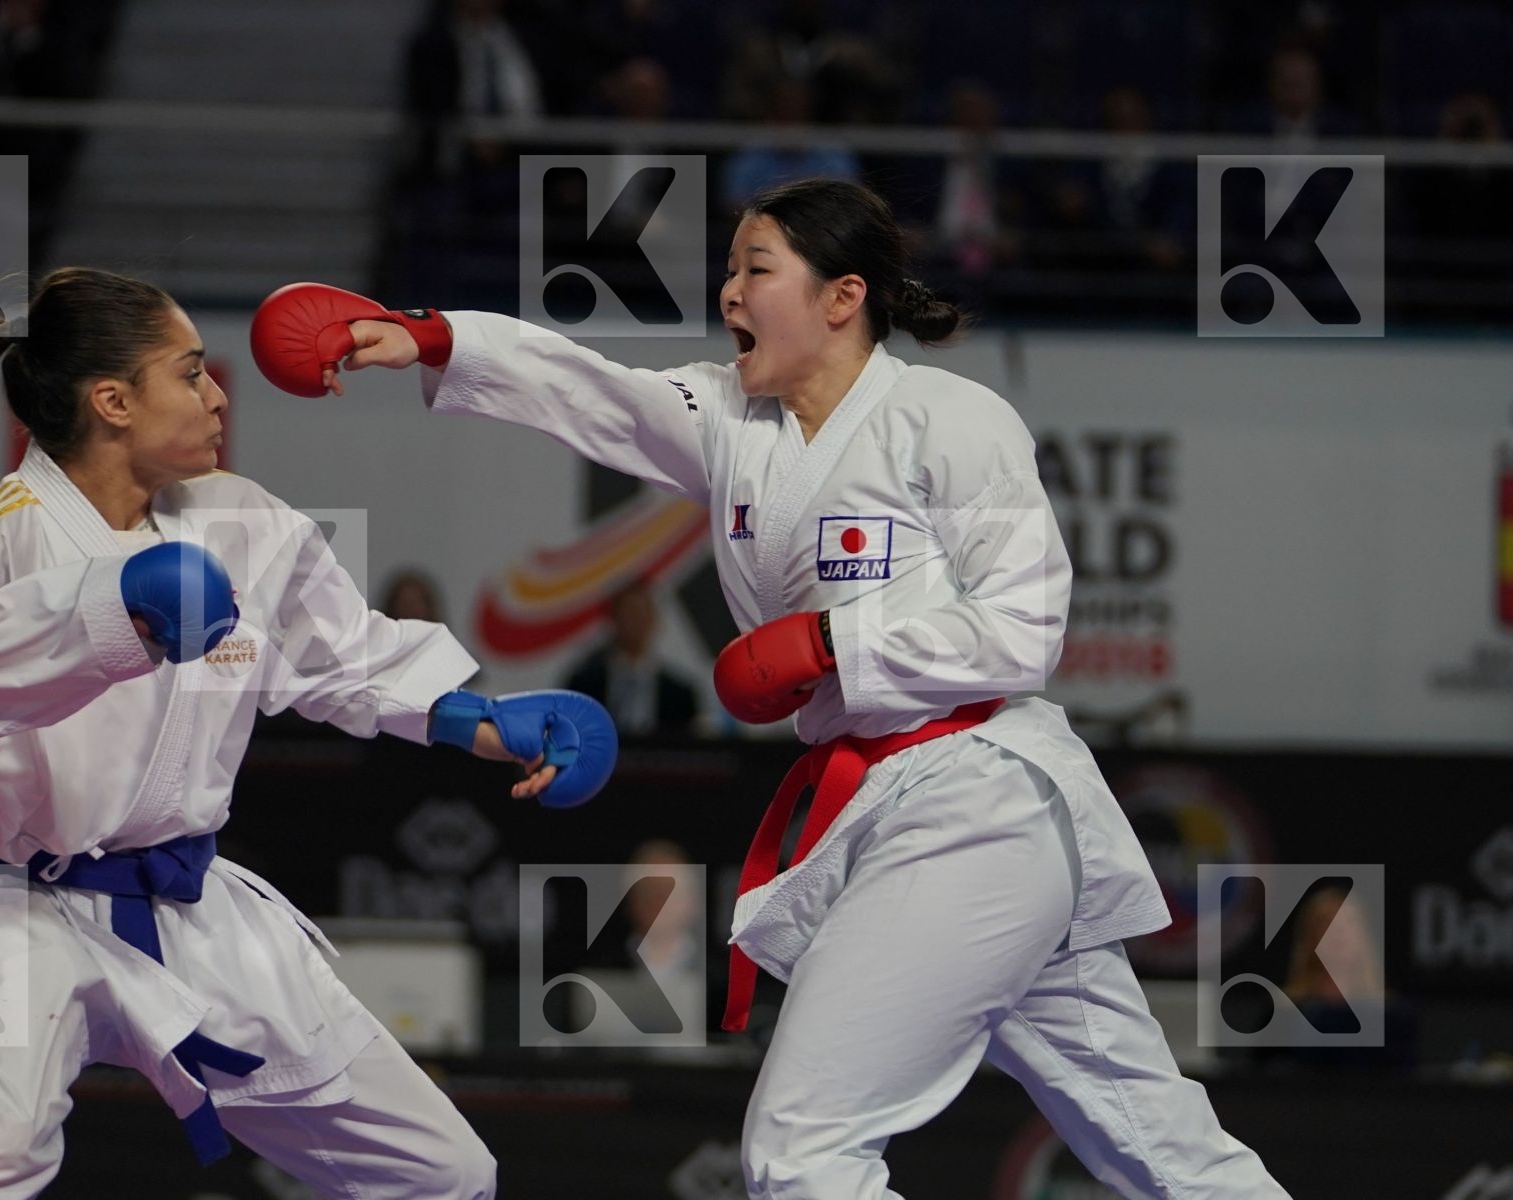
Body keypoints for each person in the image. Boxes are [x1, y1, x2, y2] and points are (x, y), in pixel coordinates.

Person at [252, 179, 1290, 1198]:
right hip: (902, 812)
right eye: (728, 272)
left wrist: (831, 643)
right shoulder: (730, 419)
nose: (731, 295)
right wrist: (431, 339)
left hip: (979, 797)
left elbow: (1024, 630)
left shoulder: (950, 418)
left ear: (844, 297)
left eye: (757, 270)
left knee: (804, 1151)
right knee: (1168, 1152)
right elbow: (587, 387)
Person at [0, 266, 616, 1199]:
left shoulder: (240, 521)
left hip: (195, 907)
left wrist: (487, 720)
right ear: (112, 401)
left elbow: (345, 659)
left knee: (440, 1171)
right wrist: (112, 612)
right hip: (34, 910)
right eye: (191, 374)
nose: (218, 393)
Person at [564, 579, 699, 736]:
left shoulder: (679, 695)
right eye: (628, 614)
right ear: (613, 619)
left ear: (653, 621)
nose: (634, 623)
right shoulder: (583, 687)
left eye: (640, 614)